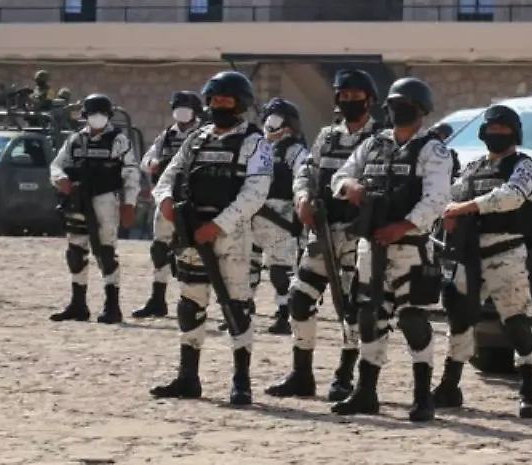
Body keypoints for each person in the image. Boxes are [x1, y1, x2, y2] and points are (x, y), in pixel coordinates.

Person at [329, 77, 452, 422]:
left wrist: (405, 225)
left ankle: (422, 396)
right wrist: (348, 186)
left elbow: (437, 198)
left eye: (407, 104)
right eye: (395, 103)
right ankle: (365, 391)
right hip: (371, 245)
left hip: (410, 246)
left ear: (422, 110)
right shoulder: (373, 145)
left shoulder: (433, 150)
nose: (399, 109)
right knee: (369, 315)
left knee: (412, 318)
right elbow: (339, 176)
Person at [149, 71, 272, 405]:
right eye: (214, 99)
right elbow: (169, 175)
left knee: (236, 307)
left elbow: (255, 192)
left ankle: (241, 381)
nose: (218, 105)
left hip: (230, 235)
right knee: (190, 304)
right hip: (191, 230)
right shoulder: (198, 138)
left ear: (241, 103)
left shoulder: (254, 142)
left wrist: (218, 225)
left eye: (225, 100)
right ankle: (187, 377)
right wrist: (165, 201)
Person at [266, 69, 377, 402]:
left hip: (358, 235)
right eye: (343, 96)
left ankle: (346, 374)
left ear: (369, 100)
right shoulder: (328, 136)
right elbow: (306, 172)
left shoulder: (380, 140)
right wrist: (301, 197)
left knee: (351, 306)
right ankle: (302, 374)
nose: (349, 102)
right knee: (300, 298)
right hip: (323, 231)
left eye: (355, 96)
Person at [432, 104, 532, 418]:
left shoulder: (523, 165)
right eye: (491, 129)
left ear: (515, 132)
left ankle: (528, 392)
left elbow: (512, 196)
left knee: (516, 320)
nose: (496, 134)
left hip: (505, 252)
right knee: (460, 319)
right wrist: (448, 213)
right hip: (468, 253)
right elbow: (451, 198)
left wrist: (465, 209)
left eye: (503, 129)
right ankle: (449, 386)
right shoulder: (472, 167)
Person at [48, 93, 140, 324]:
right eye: (91, 113)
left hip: (105, 200)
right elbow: (56, 165)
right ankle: (78, 304)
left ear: (109, 115)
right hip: (77, 199)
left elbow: (131, 173)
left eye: (101, 113)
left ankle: (112, 306)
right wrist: (60, 179)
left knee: (105, 251)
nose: (96, 117)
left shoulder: (119, 141)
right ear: (85, 116)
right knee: (75, 251)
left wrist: (129, 204)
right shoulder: (75, 140)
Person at [133, 90, 204, 318]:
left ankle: (197, 301)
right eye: (178, 107)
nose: (181, 112)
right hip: (166, 196)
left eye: (186, 107)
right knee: (159, 248)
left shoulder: (204, 133)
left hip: (195, 199)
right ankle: (157, 298)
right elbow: (146, 160)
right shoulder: (166, 136)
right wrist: (153, 163)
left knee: (195, 250)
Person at [247, 97, 307, 336]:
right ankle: (243, 310)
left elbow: (303, 180)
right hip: (250, 214)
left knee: (279, 270)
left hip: (280, 218)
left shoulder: (296, 152)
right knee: (246, 267)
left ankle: (284, 314)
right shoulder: (255, 147)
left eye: (278, 118)